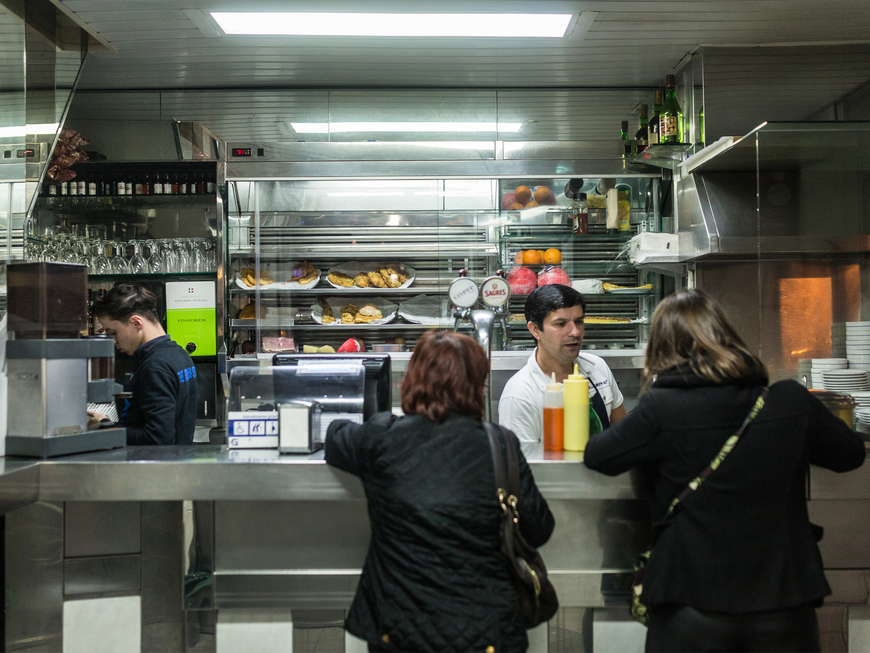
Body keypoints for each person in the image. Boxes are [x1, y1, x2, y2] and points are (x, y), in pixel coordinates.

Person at [584, 289, 866, 652]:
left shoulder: (661, 409)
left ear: (661, 349)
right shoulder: (789, 401)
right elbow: (850, 455)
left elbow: (598, 456)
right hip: (782, 604)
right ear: (728, 338)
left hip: (689, 602)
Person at [325, 330, 555, 652]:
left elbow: (335, 435)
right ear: (477, 384)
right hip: (487, 629)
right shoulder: (500, 443)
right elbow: (539, 528)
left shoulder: (381, 438)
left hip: (400, 628)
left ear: (412, 380)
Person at [499, 284, 627, 456]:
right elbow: (524, 469)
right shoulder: (520, 394)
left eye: (579, 322)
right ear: (535, 329)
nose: (575, 332)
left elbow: (624, 433)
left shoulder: (597, 367)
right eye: (561, 324)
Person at [88, 283, 198, 446]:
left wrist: (106, 426)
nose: (113, 341)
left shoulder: (156, 366)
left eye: (113, 332)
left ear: (136, 323)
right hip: (177, 461)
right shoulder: (179, 353)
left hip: (153, 468)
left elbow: (157, 438)